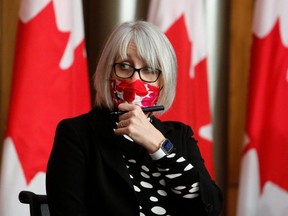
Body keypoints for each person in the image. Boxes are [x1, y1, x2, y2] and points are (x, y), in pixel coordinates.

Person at [46, 20, 223, 216]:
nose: (134, 80)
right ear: (107, 72)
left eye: (149, 70)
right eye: (124, 66)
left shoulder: (179, 136)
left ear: (164, 81)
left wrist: (160, 147)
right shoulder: (77, 134)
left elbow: (210, 208)